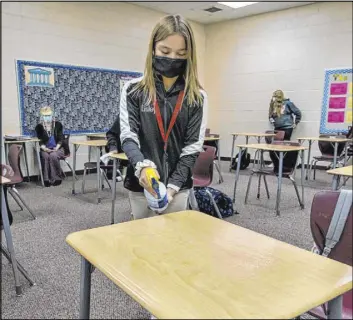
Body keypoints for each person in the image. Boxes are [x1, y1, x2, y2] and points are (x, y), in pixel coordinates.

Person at [119, 14, 207, 220]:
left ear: (189, 55)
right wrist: (142, 167)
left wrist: (172, 189)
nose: (173, 59)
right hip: (141, 184)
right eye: (165, 51)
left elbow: (192, 147)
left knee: (173, 246)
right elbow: (128, 135)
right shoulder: (133, 90)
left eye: (181, 53)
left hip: (178, 187)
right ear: (153, 49)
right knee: (141, 245)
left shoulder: (197, 96)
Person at [35, 106, 68, 187]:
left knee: (53, 155)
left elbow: (61, 139)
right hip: (45, 148)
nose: (47, 117)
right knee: (45, 156)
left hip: (58, 148)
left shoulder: (58, 125)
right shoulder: (39, 127)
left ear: (52, 115)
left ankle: (57, 178)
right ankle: (46, 179)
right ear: (42, 116)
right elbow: (40, 141)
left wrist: (56, 148)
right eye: (45, 116)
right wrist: (45, 149)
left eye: (49, 115)